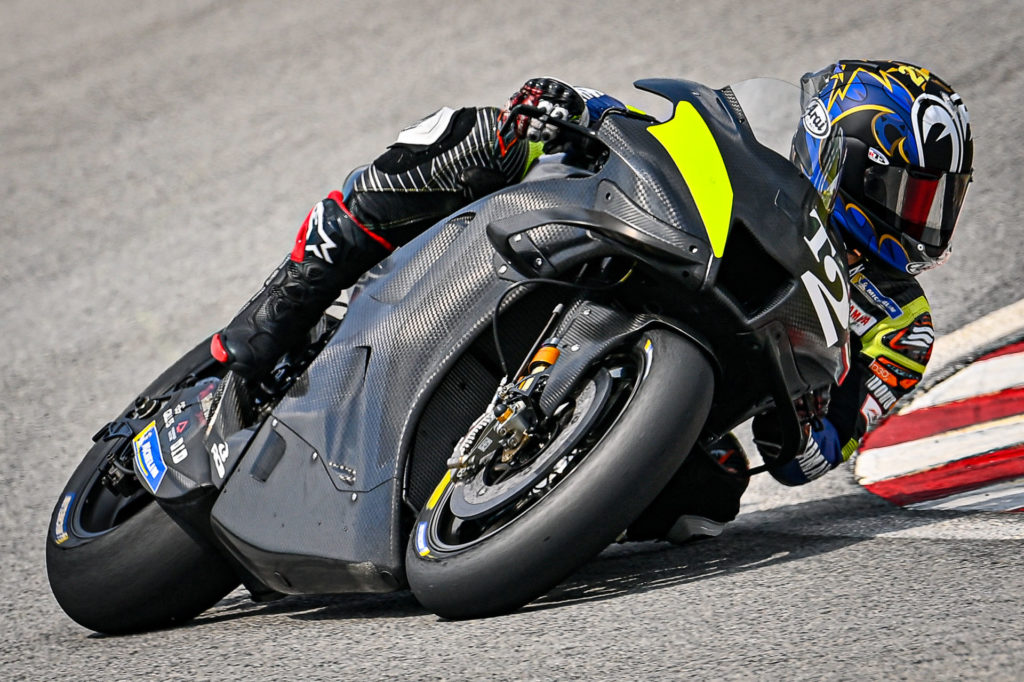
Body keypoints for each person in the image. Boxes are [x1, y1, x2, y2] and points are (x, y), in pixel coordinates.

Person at [210, 60, 973, 541]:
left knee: (710, 503)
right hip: (651, 263)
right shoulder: (763, 163)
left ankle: (520, 515)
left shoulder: (904, 327)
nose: (916, 218)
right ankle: (283, 302)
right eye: (903, 191)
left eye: (935, 202)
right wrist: (583, 107)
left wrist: (810, 419)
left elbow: (806, 461)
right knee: (494, 135)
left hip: (710, 388)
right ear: (838, 153)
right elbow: (671, 142)